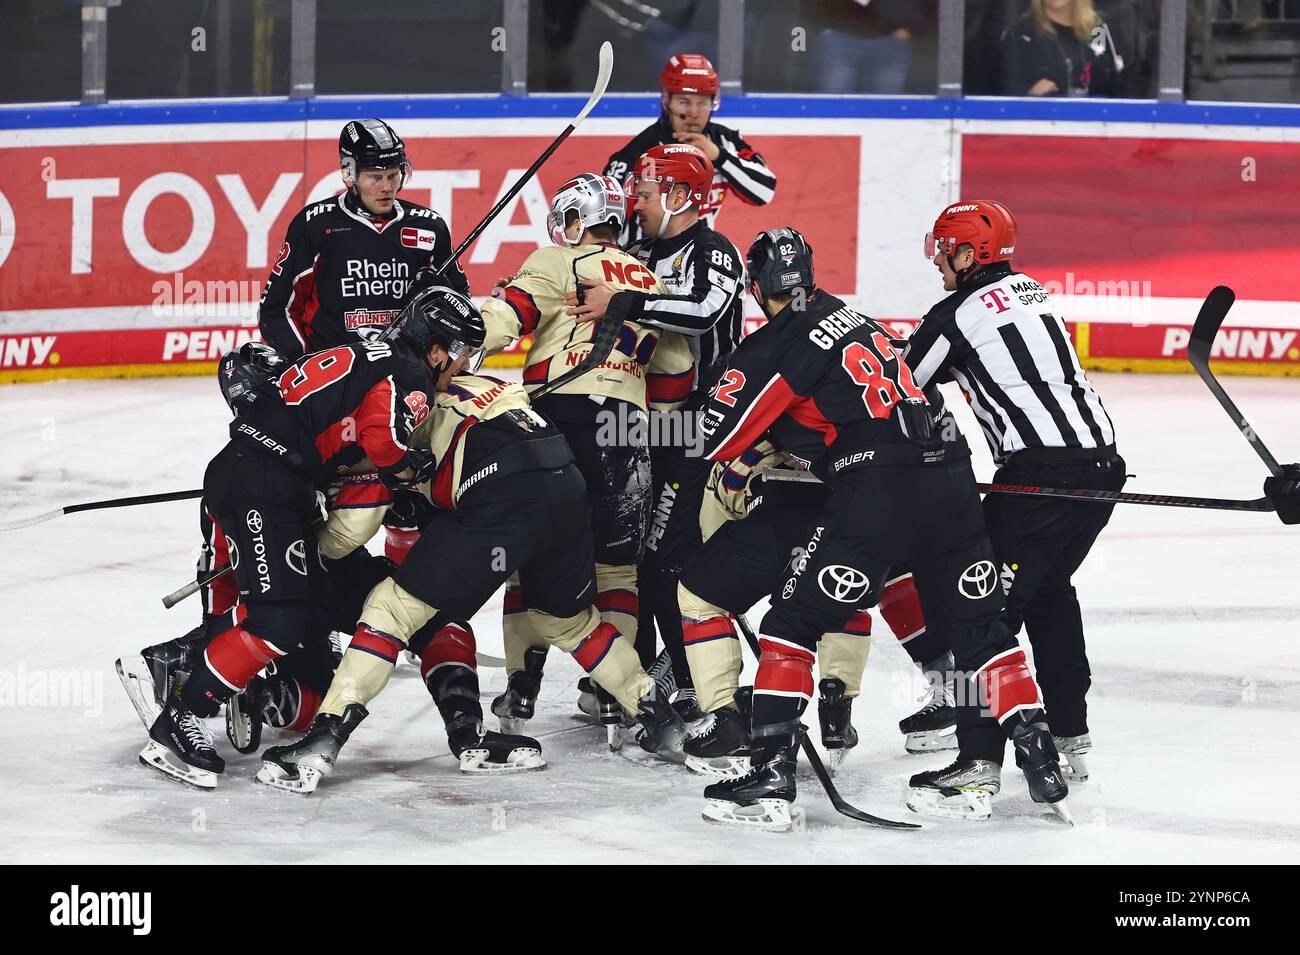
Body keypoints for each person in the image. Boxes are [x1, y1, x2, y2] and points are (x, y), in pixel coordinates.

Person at [691, 227, 1067, 830]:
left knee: (790, 621)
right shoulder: (858, 318)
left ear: (759, 287)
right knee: (981, 627)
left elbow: (715, 436)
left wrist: (773, 440)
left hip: (881, 490)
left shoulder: (778, 342)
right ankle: (1038, 753)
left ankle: (768, 777)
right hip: (952, 480)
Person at [257, 291, 687, 792]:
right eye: (462, 352)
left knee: (390, 610)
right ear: (435, 351)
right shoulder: (482, 383)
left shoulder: (399, 396)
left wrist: (307, 549)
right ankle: (661, 721)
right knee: (567, 622)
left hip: (505, 495)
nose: (465, 363)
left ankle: (323, 740)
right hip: (566, 487)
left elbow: (355, 527)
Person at [137, 290, 445, 788]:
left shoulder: (367, 353)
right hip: (263, 486)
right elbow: (383, 445)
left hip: (272, 485)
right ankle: (181, 706)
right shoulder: (406, 372)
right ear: (438, 349)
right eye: (462, 353)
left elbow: (340, 442)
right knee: (278, 618)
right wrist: (409, 470)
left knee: (303, 644)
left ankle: (225, 678)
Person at [904, 198, 1122, 785]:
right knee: (1050, 592)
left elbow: (899, 385)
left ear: (970, 254)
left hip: (1038, 479)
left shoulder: (955, 313)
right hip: (1102, 468)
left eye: (946, 250)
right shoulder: (1030, 289)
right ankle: (1070, 732)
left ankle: (978, 761)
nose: (938, 262)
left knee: (976, 609)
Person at [476, 173, 694, 748]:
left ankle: (522, 687)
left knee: (528, 560)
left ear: (575, 220)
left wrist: (454, 340)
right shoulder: (647, 279)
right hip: (625, 433)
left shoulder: (556, 259)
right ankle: (615, 695)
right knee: (617, 571)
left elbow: (508, 318)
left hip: (557, 426)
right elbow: (675, 369)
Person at [567, 143, 745, 720]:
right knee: (632, 554)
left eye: (643, 194)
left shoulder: (714, 249)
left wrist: (622, 300)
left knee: (668, 554)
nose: (634, 203)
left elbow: (704, 312)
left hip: (701, 428)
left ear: (677, 196)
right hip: (644, 423)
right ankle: (639, 673)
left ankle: (693, 678)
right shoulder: (639, 250)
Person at [258, 118, 469, 357]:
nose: (387, 187)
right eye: (375, 178)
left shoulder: (430, 227)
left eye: (393, 175)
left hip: (410, 373)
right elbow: (276, 310)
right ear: (349, 174)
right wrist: (305, 365)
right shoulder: (315, 225)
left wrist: (437, 302)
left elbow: (462, 305)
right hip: (337, 376)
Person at [603, 54, 776, 245]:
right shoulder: (636, 154)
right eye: (684, 102)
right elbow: (605, 224)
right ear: (666, 101)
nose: (694, 113)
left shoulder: (724, 141)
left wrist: (718, 156)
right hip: (642, 263)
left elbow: (764, 192)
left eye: (702, 102)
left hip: (699, 257)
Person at [998, 0, 1124, 98]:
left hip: (1096, 125)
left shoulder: (1098, 31)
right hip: (1042, 125)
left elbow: (1117, 85)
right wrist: (1029, 96)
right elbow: (1003, 92)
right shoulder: (1021, 33)